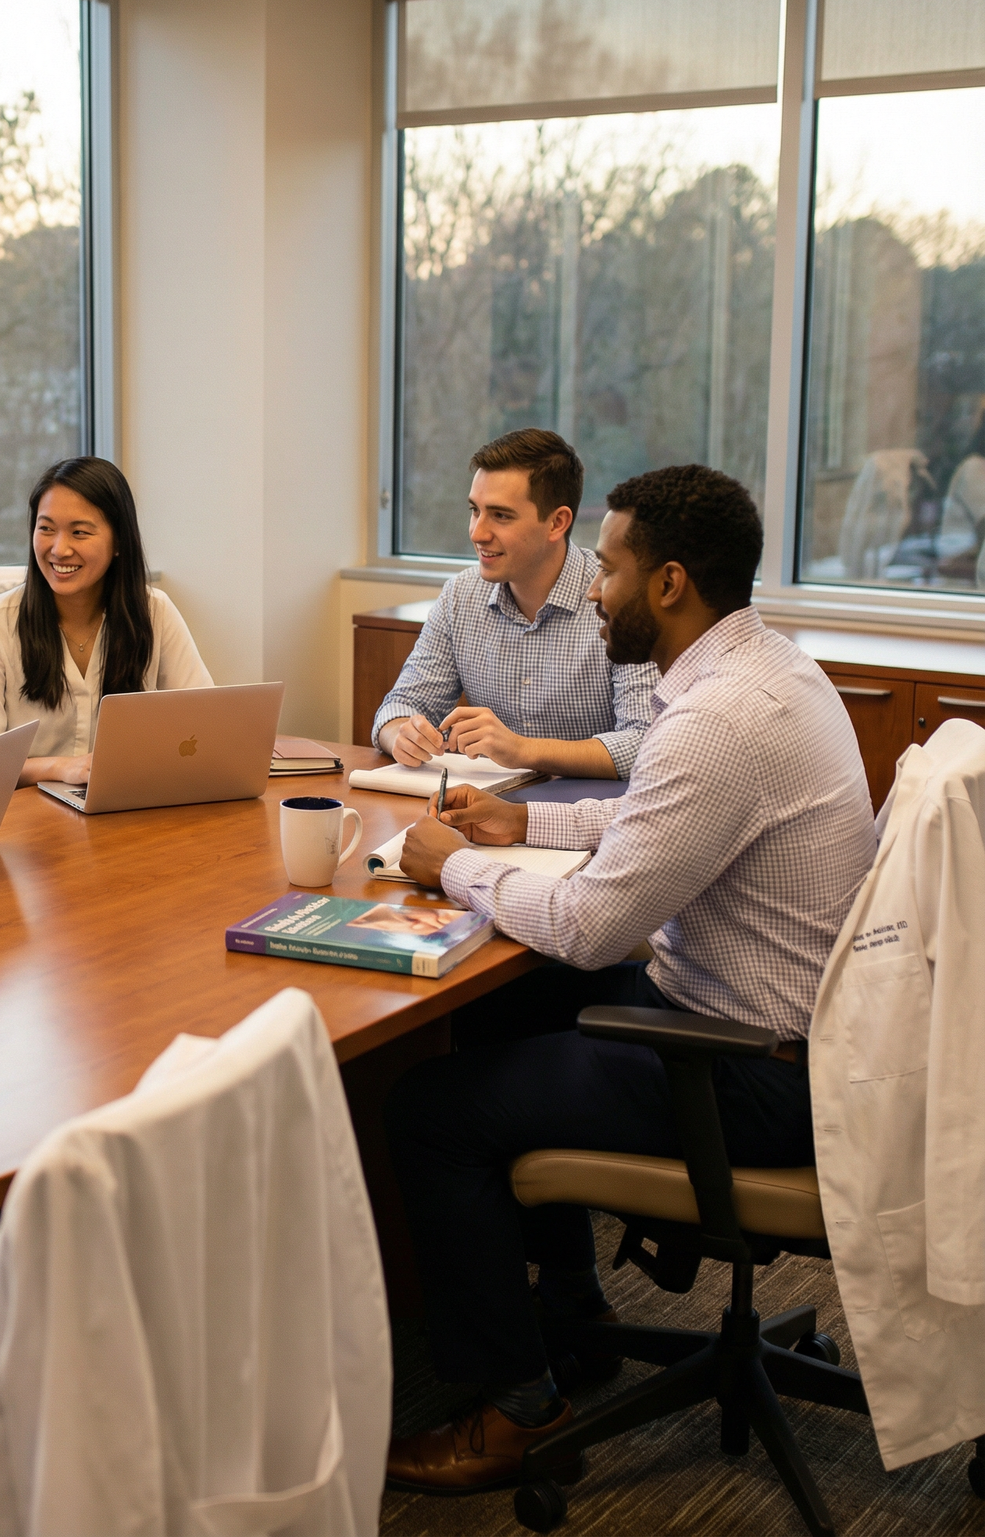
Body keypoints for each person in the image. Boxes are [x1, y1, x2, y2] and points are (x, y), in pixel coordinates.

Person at [382, 465, 876, 1495]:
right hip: (774, 1027)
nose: (593, 587)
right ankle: (571, 1311)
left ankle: (514, 1403)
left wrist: (454, 865)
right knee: (507, 1009)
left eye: (606, 567)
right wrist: (523, 822)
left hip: (747, 1069)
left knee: (428, 1109)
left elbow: (596, 924)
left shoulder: (712, 721)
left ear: (667, 583)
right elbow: (659, 819)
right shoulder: (768, 671)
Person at [373, 429, 657, 780]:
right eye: (475, 511)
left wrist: (522, 749)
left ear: (557, 522)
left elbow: (646, 744)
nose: (477, 533)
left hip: (588, 819)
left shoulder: (618, 598)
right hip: (489, 815)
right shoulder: (461, 595)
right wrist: (401, 734)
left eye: (501, 516)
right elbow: (399, 707)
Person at [0, 456, 211, 785]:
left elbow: (203, 723)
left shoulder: (153, 612)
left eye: (79, 532)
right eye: (46, 529)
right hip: (26, 819)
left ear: (118, 541)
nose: (59, 549)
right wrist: (60, 768)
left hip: (126, 805)